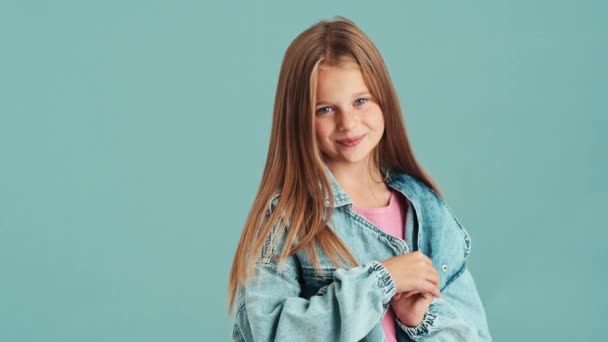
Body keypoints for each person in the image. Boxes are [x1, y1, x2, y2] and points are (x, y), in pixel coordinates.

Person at [227, 16, 492, 342]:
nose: (348, 123)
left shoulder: (428, 213)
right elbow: (269, 333)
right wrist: (381, 282)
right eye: (325, 109)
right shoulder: (288, 220)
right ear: (299, 118)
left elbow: (475, 335)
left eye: (360, 101)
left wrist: (420, 321)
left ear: (384, 101)